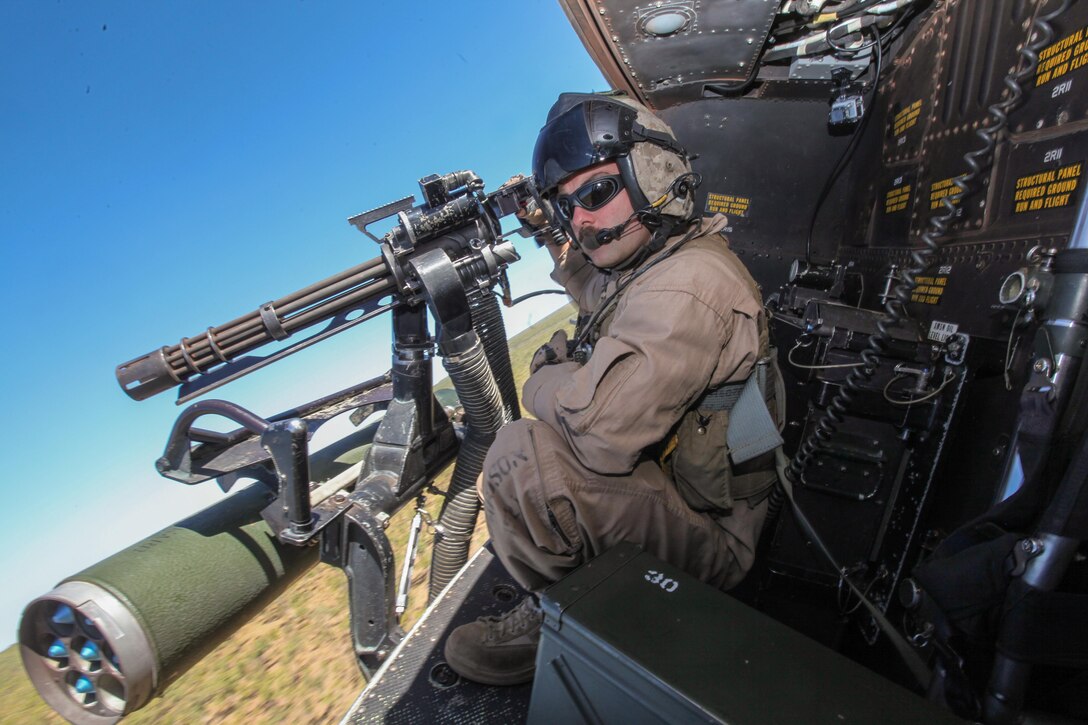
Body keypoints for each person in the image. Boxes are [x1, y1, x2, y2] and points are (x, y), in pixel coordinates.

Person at [444, 92, 781, 686]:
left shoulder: (685, 289)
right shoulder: (672, 259)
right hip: (692, 497)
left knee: (522, 457)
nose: (582, 220)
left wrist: (544, 379)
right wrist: (550, 233)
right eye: (567, 207)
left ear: (651, 173)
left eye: (596, 194)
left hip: (722, 542)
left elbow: (597, 439)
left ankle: (560, 615)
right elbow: (605, 294)